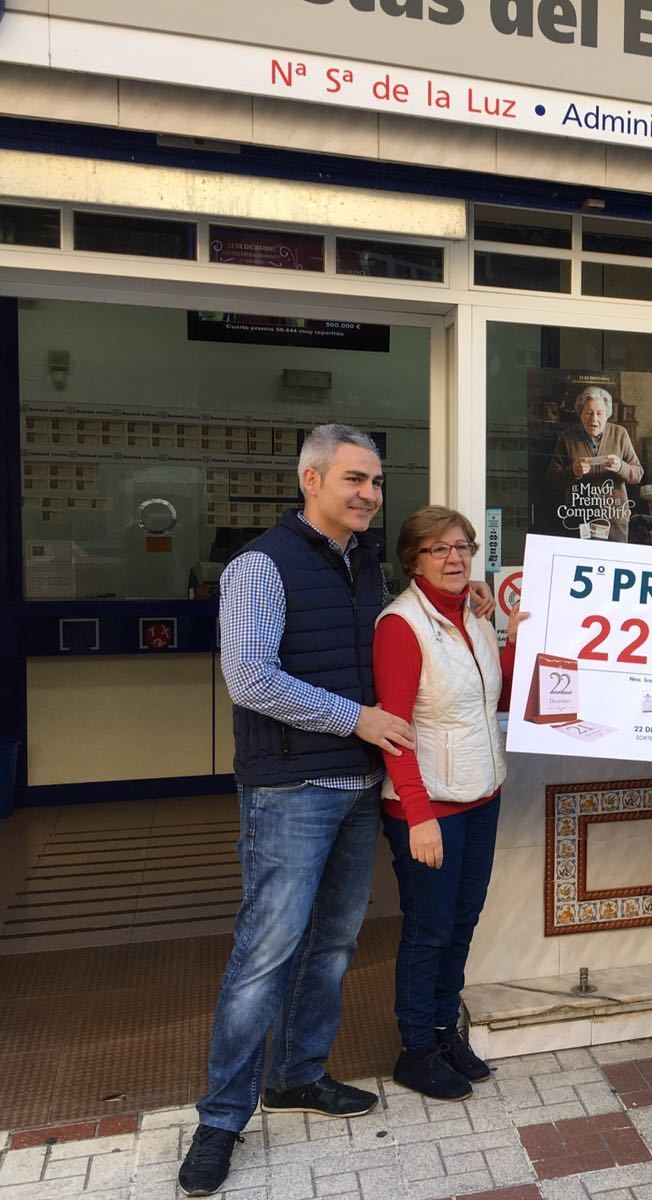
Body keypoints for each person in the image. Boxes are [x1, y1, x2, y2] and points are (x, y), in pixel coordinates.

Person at [180, 425, 413, 1196]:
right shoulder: (260, 565)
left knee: (334, 944)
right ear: (311, 480)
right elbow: (250, 678)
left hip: (356, 785)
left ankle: (297, 1075)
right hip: (290, 789)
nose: (370, 494)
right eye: (355, 479)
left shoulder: (366, 563)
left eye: (376, 482)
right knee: (265, 954)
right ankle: (221, 1120)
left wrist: (458, 600)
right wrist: (358, 719)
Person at [373, 506, 525, 1100]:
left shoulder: (474, 616)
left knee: (462, 921)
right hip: (430, 805)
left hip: (481, 796)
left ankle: (442, 1031)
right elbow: (394, 729)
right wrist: (418, 815)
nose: (455, 558)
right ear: (414, 561)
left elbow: (493, 695)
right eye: (439, 549)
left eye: (462, 546)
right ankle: (415, 1050)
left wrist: (521, 641)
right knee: (429, 929)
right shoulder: (401, 626)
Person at [548, 385, 643, 543]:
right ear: (580, 414)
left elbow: (638, 473)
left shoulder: (620, 434)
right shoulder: (567, 437)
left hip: (615, 522)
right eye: (588, 413)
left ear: (607, 414)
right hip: (579, 521)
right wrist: (572, 471)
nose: (594, 420)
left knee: (613, 558)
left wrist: (621, 467)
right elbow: (553, 479)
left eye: (599, 413)